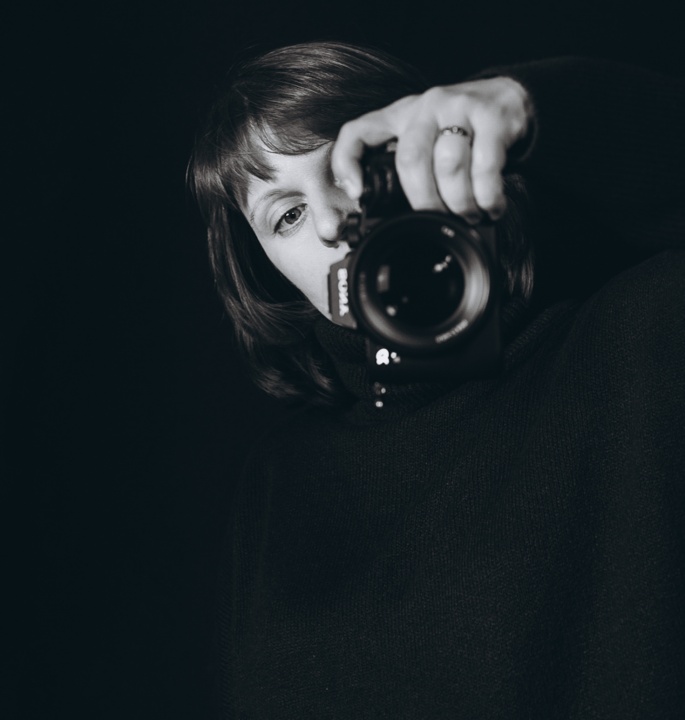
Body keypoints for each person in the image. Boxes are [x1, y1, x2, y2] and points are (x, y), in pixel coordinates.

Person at [189, 41, 685, 719]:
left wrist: (534, 106)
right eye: (288, 215)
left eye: (352, 167)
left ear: (439, 146)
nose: (332, 220)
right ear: (268, 271)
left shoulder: (642, 335)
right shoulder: (278, 483)